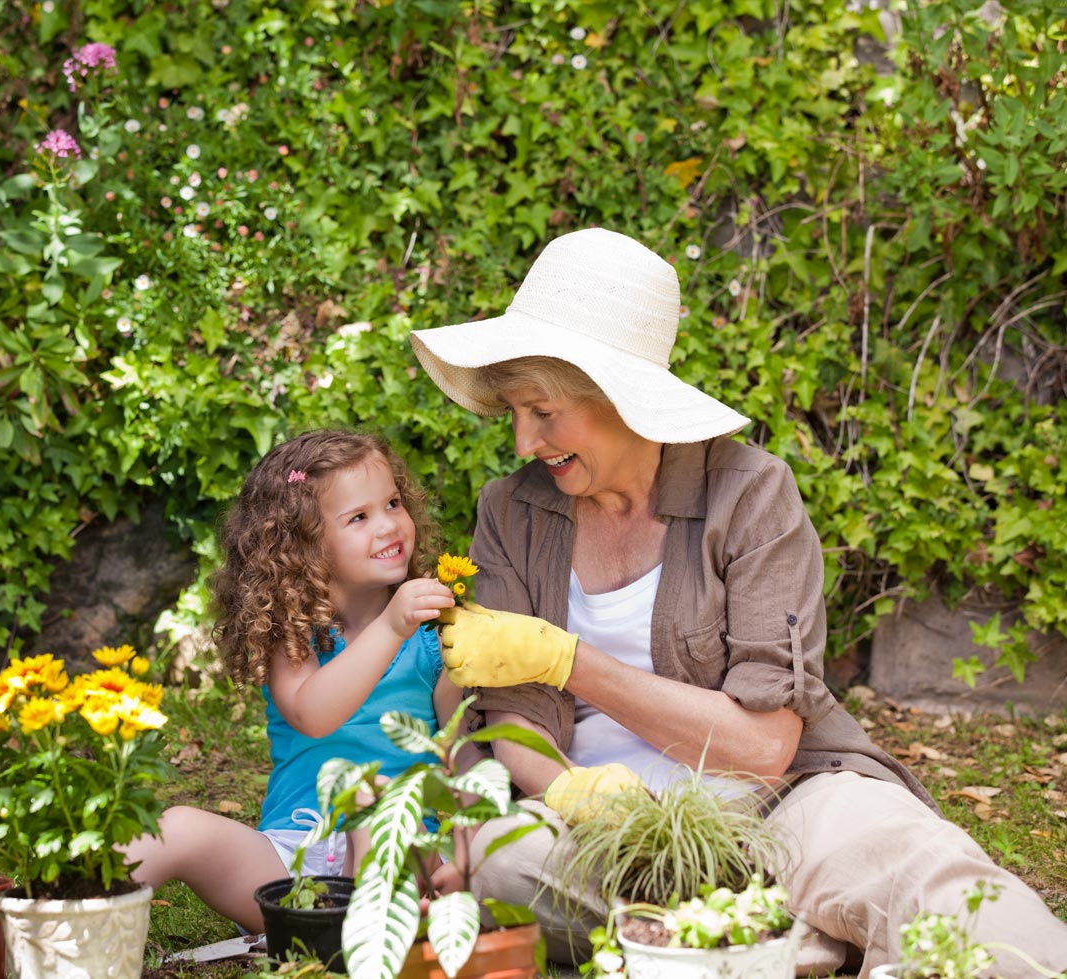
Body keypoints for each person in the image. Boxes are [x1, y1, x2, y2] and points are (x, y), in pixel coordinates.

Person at [408, 227, 1067, 977]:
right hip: (597, 834)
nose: (524, 440)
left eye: (543, 411)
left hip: (776, 804)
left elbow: (763, 747)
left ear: (621, 397)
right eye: (514, 412)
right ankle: (782, 930)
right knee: (502, 862)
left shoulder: (751, 494)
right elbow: (514, 714)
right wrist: (569, 789)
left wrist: (573, 661)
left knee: (925, 870)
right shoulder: (512, 510)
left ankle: (745, 924)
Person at [117, 429, 460, 931]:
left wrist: (458, 858)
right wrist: (391, 628)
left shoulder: (434, 636)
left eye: (392, 503)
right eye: (359, 517)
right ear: (304, 544)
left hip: (401, 850)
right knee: (176, 828)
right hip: (289, 863)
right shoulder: (294, 632)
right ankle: (52, 910)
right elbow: (313, 713)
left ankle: (365, 939)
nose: (388, 525)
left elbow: (463, 753)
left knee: (378, 799)